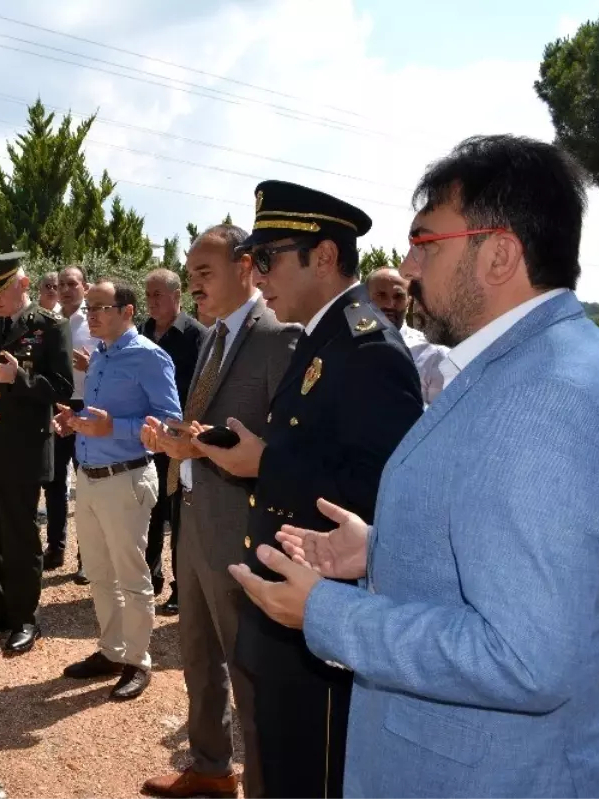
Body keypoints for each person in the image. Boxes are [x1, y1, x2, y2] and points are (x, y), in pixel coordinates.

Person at [235, 136, 599, 798]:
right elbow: (506, 563)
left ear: (499, 254)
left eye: (425, 242)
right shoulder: (525, 366)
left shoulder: (551, 397)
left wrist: (327, 612)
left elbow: (526, 657)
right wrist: (380, 552)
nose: (406, 266)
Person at [192, 180, 423, 799]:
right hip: (290, 608)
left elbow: (382, 493)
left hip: (322, 616)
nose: (256, 273)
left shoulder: (365, 345)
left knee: (312, 774)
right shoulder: (323, 335)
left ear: (322, 257)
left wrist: (264, 465)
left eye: (268, 258)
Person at [140, 226, 299, 799]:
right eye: (190, 273)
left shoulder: (280, 336)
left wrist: (202, 446)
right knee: (198, 654)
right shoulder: (212, 338)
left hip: (242, 528)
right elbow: (211, 425)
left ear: (245, 268)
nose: (193, 284)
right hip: (195, 516)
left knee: (249, 670)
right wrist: (177, 439)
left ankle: (264, 784)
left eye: (203, 273)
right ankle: (210, 768)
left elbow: (285, 444)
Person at [54, 278, 181, 700]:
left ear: (127, 312)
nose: (91, 315)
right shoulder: (101, 357)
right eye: (89, 308)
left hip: (126, 478)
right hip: (89, 478)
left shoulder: (150, 357)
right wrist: (73, 421)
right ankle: (111, 651)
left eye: (100, 307)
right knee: (99, 573)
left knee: (132, 576)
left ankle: (138, 661)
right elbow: (96, 415)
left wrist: (116, 428)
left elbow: (169, 423)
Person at [0, 252, 73, 655]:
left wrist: (18, 378)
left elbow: (61, 388)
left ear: (23, 284)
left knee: (20, 538)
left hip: (23, 449)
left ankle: (24, 619)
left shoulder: (50, 327)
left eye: (0, 290)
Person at [140, 268, 206, 614]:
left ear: (177, 296)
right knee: (150, 511)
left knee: (180, 517)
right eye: (148, 295)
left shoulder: (198, 336)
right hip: (148, 439)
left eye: (157, 295)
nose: (150, 301)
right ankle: (151, 577)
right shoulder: (143, 333)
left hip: (181, 442)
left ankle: (183, 587)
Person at [42, 264, 98, 584]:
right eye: (61, 284)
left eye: (72, 284)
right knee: (53, 481)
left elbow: (108, 364)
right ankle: (55, 546)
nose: (65, 289)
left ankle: (85, 556)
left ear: (85, 288)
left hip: (87, 408)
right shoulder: (50, 323)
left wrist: (91, 366)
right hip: (56, 407)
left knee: (86, 484)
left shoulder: (94, 323)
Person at [366, 268, 450, 405]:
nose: (390, 304)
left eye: (398, 296)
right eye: (381, 295)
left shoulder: (434, 355)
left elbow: (442, 416)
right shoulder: (345, 347)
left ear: (408, 301)